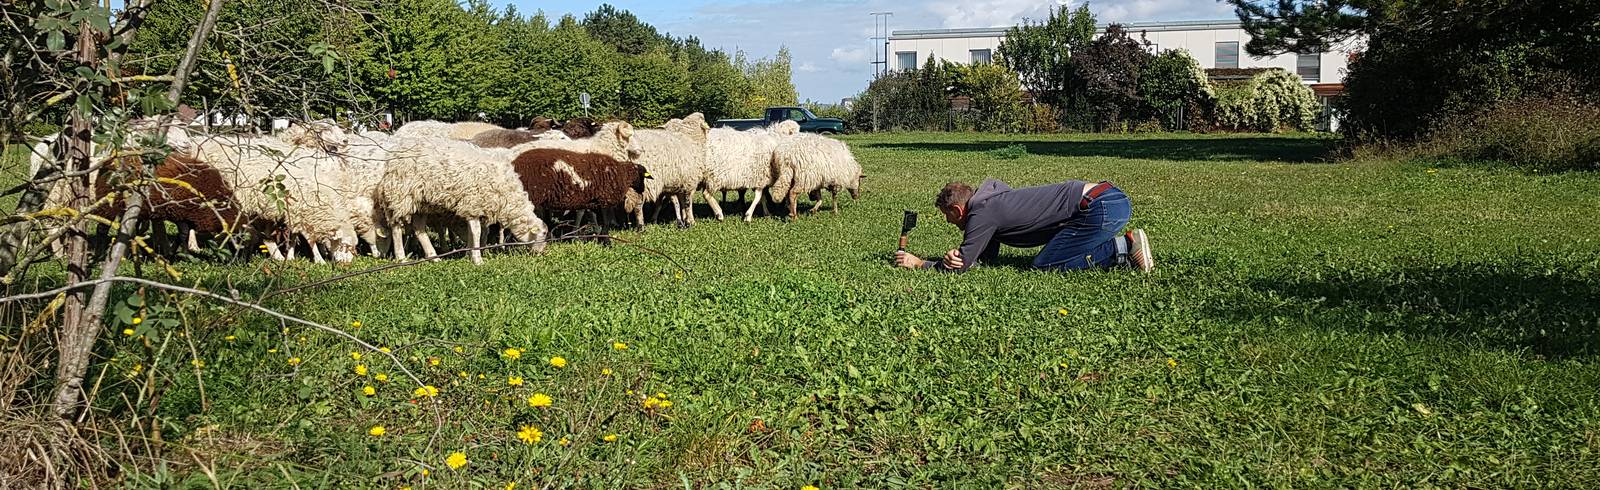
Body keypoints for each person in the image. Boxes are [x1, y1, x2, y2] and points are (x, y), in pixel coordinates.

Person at [894, 179, 1153, 273]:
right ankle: (1123, 251)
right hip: (1108, 199)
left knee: (1044, 264)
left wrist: (919, 263)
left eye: (947, 216)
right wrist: (966, 256)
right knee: (1060, 254)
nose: (949, 223)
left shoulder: (982, 212)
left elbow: (959, 269)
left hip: (1100, 207)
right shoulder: (991, 202)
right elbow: (982, 259)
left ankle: (1123, 247)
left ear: (957, 209)